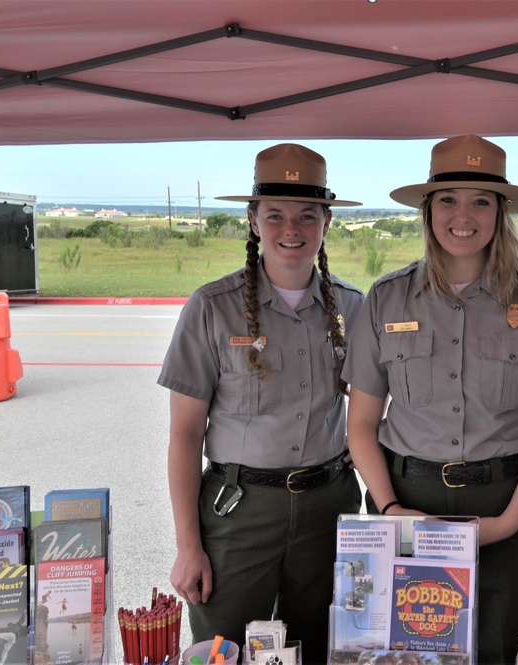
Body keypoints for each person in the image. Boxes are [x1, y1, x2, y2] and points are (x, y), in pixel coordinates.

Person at [342, 135, 518, 665]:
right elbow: (361, 424)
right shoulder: (386, 298)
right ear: (428, 211)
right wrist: (390, 510)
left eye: (481, 201)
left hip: (506, 505)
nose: (464, 215)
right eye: (448, 200)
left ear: (501, 213)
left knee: (503, 649)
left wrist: (508, 522)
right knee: (402, 654)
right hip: (405, 499)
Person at [159, 144, 365, 664]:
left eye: (306, 216)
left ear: (326, 222)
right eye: (274, 214)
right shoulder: (211, 308)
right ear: (253, 220)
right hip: (239, 512)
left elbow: (371, 418)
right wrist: (189, 545)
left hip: (329, 507)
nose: (289, 229)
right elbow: (185, 433)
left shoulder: (356, 309)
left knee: (324, 649)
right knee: (221, 650)